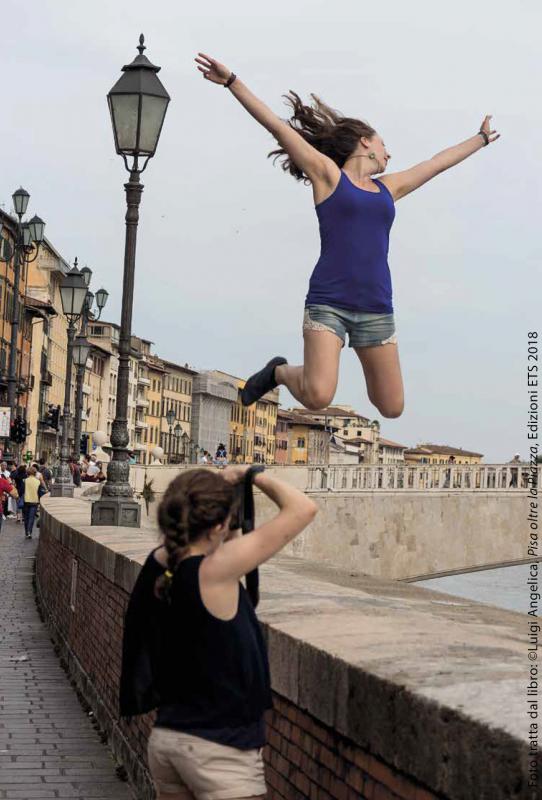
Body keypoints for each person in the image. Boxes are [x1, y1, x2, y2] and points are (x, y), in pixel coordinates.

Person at [195, 54, 500, 416]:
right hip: (329, 303)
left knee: (392, 407)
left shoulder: (390, 187)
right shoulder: (327, 176)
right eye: (384, 144)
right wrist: (232, 82)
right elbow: (278, 128)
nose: (390, 153)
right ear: (365, 142)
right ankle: (279, 372)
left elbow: (435, 163)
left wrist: (479, 139)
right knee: (318, 396)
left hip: (376, 307)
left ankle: (296, 372)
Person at [120, 466, 317, 800]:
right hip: (218, 752)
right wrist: (253, 475)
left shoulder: (162, 564)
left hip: (168, 741)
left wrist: (212, 493)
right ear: (218, 526)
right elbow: (303, 508)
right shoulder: (215, 571)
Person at [22, 466, 41, 540]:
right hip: (34, 501)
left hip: (26, 501)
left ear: (28, 472)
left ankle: (27, 532)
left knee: (26, 517)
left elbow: (22, 491)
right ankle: (30, 532)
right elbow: (39, 492)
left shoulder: (25, 480)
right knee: (31, 518)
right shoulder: (38, 481)